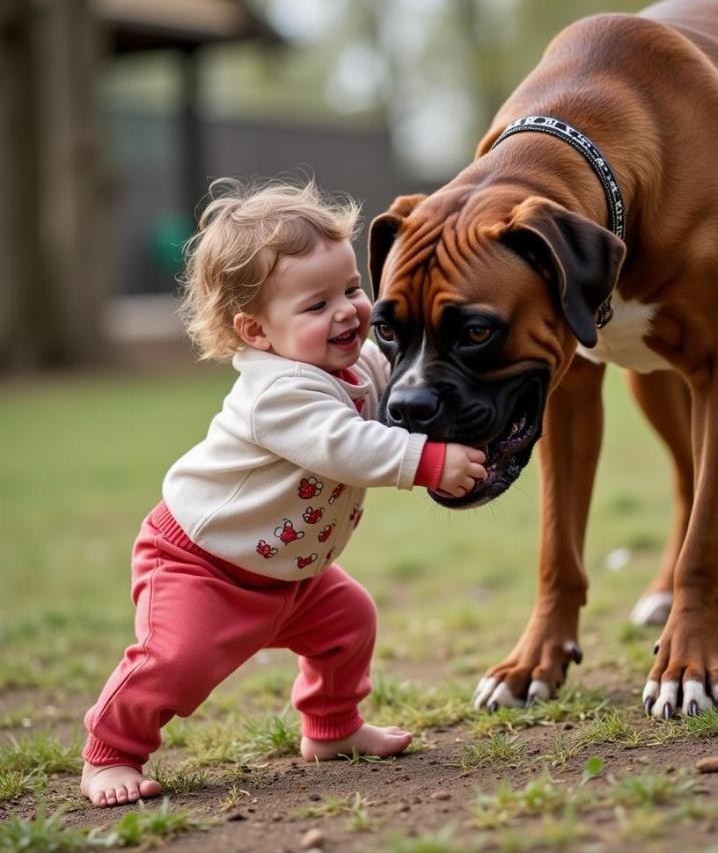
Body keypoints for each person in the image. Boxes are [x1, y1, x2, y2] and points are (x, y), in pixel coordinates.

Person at [80, 179, 486, 808]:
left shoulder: (352, 366)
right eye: (316, 304)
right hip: (200, 564)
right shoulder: (279, 392)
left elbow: (391, 380)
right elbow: (345, 444)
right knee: (176, 661)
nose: (349, 310)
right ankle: (110, 752)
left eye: (352, 289)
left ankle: (332, 728)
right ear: (257, 331)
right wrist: (426, 462)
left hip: (291, 571)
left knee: (350, 623)